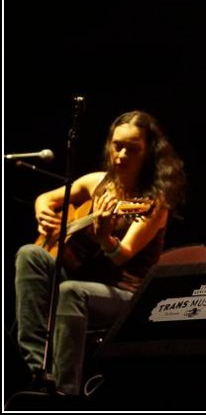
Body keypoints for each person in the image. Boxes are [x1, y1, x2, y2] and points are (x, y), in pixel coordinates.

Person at [14, 110, 186, 396]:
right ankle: (41, 372)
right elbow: (46, 197)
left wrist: (105, 236)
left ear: (149, 153)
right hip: (85, 277)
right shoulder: (96, 182)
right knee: (30, 254)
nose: (121, 155)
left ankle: (66, 393)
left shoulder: (154, 201)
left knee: (71, 291)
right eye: (117, 145)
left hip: (125, 295)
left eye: (132, 149)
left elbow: (122, 255)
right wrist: (41, 209)